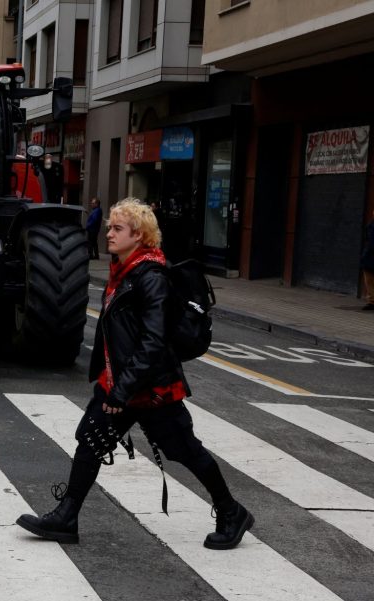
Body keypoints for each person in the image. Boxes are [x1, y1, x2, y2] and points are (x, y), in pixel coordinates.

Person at [16, 197, 254, 550]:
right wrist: (113, 386)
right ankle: (66, 517)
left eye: (117, 228)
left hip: (151, 388)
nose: (108, 234)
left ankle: (232, 511)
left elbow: (153, 342)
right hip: (122, 384)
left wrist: (121, 390)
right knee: (91, 441)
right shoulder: (123, 272)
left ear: (139, 235)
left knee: (185, 451)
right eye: (109, 226)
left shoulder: (152, 277)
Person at [361, 212, 374, 311]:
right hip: (369, 256)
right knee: (369, 280)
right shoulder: (370, 225)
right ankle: (371, 302)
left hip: (369, 255)